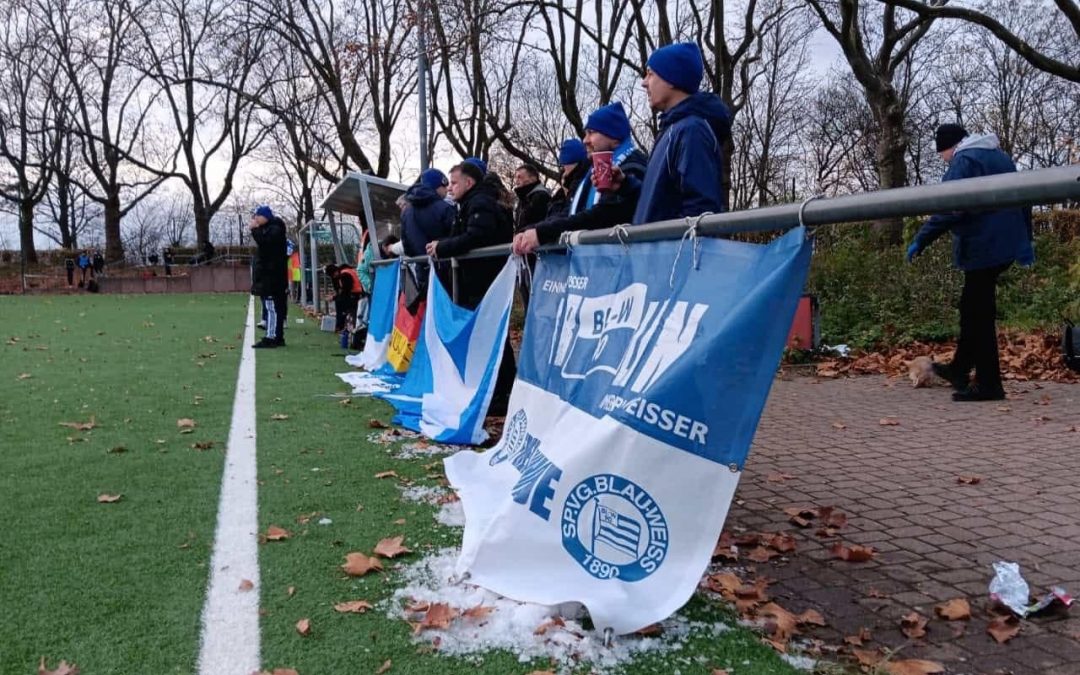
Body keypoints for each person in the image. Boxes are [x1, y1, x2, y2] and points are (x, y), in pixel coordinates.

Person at [906, 124, 1034, 402]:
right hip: (1003, 246)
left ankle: (989, 384)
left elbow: (951, 206)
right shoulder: (1001, 157)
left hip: (983, 247)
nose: (944, 160)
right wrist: (1026, 240)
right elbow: (1025, 196)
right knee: (972, 307)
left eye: (942, 155)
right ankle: (959, 369)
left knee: (979, 314)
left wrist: (921, 239)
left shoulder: (963, 160)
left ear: (949, 147)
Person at [425, 161, 516, 412]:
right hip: (480, 278)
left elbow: (476, 237)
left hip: (485, 278)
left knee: (491, 334)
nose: (450, 188)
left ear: (469, 182)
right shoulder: (473, 203)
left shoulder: (480, 203)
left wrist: (443, 247)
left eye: (454, 182)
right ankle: (496, 389)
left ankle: (501, 391)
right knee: (488, 334)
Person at [608, 42, 731, 225]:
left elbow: (700, 214)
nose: (644, 82)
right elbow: (664, 204)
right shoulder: (672, 130)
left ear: (672, 79)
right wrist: (626, 185)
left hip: (670, 254)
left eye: (650, 74)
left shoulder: (691, 131)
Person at [512, 102, 649, 255]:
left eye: (591, 132)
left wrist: (543, 232)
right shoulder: (593, 171)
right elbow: (572, 211)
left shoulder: (633, 166)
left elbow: (606, 214)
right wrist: (532, 229)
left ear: (614, 137)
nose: (585, 140)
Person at [250, 205, 289, 348]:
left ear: (264, 216)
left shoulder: (274, 230)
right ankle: (277, 336)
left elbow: (265, 243)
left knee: (272, 306)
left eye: (257, 216)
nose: (255, 219)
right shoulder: (274, 229)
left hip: (273, 276)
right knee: (276, 307)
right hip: (274, 275)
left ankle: (271, 337)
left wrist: (254, 230)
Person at [547, 139, 590, 218]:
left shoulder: (579, 185)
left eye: (564, 165)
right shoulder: (565, 189)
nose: (563, 170)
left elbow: (568, 213)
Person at [512, 164, 551, 233]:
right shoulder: (523, 199)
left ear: (533, 178)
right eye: (516, 178)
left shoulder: (541, 197)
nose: (516, 181)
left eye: (519, 177)